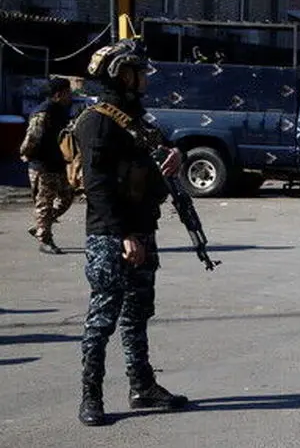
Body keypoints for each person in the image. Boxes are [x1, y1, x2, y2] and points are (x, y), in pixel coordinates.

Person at [75, 39, 188, 427]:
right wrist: (123, 235)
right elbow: (97, 186)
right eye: (138, 72)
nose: (144, 80)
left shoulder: (137, 118)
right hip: (111, 235)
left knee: (138, 313)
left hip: (143, 228)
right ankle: (91, 395)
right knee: (103, 316)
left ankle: (142, 387)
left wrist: (176, 155)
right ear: (121, 74)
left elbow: (161, 150)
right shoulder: (97, 121)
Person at [19, 77, 75, 254]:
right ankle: (45, 240)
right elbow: (32, 137)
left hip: (58, 164)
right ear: (58, 94)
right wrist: (26, 154)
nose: (70, 96)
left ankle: (41, 225)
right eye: (68, 93)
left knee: (67, 197)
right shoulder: (44, 112)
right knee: (45, 203)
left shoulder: (62, 111)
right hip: (42, 165)